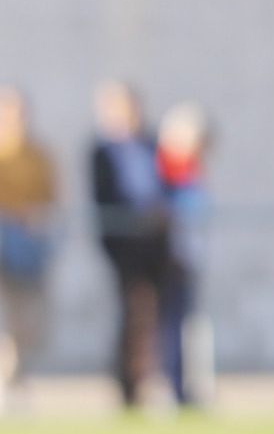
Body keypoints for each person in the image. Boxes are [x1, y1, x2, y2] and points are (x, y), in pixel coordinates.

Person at [0, 85, 57, 413]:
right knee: (10, 319)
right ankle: (2, 378)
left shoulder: (38, 152)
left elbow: (52, 194)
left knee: (36, 323)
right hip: (3, 242)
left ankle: (8, 373)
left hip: (34, 243)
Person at [90, 80, 166, 410]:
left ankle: (156, 379)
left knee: (155, 314)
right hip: (123, 242)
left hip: (155, 240)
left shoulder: (154, 145)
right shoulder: (100, 151)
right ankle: (126, 385)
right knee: (130, 312)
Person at [156, 101, 213, 408]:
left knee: (188, 324)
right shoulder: (167, 170)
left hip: (189, 256)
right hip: (170, 256)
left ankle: (188, 386)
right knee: (169, 326)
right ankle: (171, 387)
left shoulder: (192, 170)